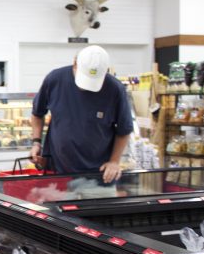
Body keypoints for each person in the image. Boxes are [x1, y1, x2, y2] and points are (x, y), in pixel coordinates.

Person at [30, 45, 133, 183]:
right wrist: (36, 143)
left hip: (99, 176)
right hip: (58, 173)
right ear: (75, 62)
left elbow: (124, 130)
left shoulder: (115, 89)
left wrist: (114, 162)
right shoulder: (54, 79)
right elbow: (37, 113)